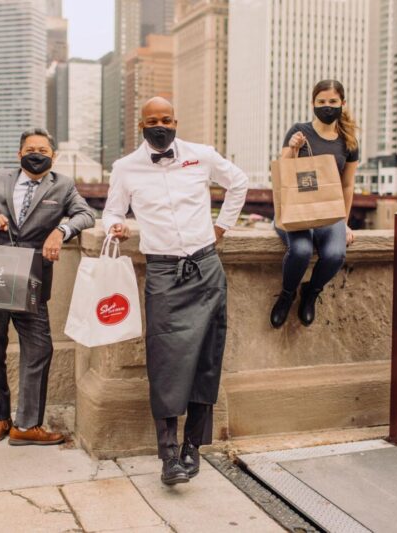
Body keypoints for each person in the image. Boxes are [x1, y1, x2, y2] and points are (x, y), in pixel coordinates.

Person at [103, 97, 248, 485]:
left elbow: (239, 182)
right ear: (142, 126)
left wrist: (222, 228)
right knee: (164, 363)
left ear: (176, 121)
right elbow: (112, 211)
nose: (160, 125)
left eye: (166, 119)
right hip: (163, 273)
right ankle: (168, 456)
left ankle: (192, 449)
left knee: (206, 357)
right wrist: (115, 226)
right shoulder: (125, 167)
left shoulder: (201, 155)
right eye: (153, 121)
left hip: (205, 268)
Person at [0, 128, 95, 446]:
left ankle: (27, 424)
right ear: (19, 153)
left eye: (44, 150)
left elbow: (86, 214)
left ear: (54, 156)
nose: (37, 153)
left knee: (39, 348)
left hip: (32, 280)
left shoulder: (62, 186)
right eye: (30, 148)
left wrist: (61, 231)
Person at [270, 79, 360, 328]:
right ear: (313, 104)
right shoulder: (299, 131)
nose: (327, 106)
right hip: (294, 208)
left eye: (333, 102)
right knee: (300, 251)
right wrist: (291, 148)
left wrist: (344, 222)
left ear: (342, 103)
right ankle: (288, 295)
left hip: (328, 211)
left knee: (335, 254)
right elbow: (281, 170)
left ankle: (311, 292)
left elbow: (347, 185)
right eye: (321, 102)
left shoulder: (348, 141)